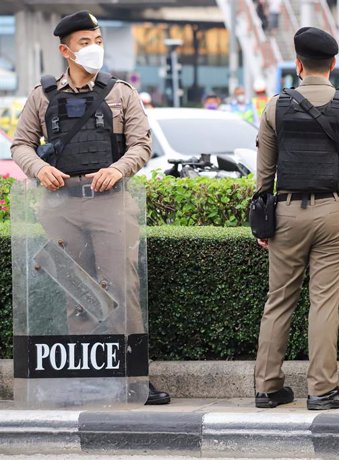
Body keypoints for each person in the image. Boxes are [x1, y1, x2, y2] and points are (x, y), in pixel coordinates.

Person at [10, 10, 170, 405]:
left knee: (122, 287)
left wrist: (117, 169)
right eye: (85, 42)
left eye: (98, 40)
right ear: (65, 50)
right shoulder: (42, 95)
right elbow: (20, 144)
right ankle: (85, 379)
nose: (94, 48)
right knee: (78, 291)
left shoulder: (120, 92)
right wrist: (40, 168)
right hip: (61, 204)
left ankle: (134, 379)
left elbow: (142, 145)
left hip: (110, 203)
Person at [253, 27, 339, 410]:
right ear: (334, 64)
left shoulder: (275, 106)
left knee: (278, 300)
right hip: (333, 210)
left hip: (287, 210)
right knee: (323, 301)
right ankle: (322, 390)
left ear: (298, 63)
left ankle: (267, 388)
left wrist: (263, 218)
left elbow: (264, 172)